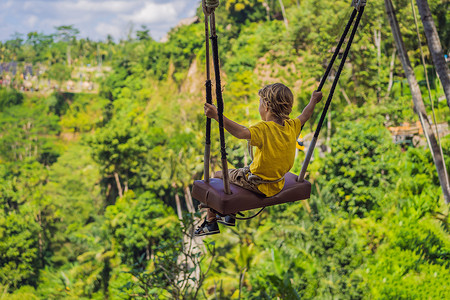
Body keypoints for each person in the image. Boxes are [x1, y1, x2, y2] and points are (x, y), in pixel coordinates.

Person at [195, 83, 323, 236]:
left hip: (257, 183)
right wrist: (313, 100)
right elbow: (305, 115)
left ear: (266, 107)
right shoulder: (292, 126)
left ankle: (210, 222)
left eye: (260, 103)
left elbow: (241, 132)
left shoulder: (264, 129)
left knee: (218, 175)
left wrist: (217, 116)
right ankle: (230, 215)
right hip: (277, 183)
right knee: (239, 172)